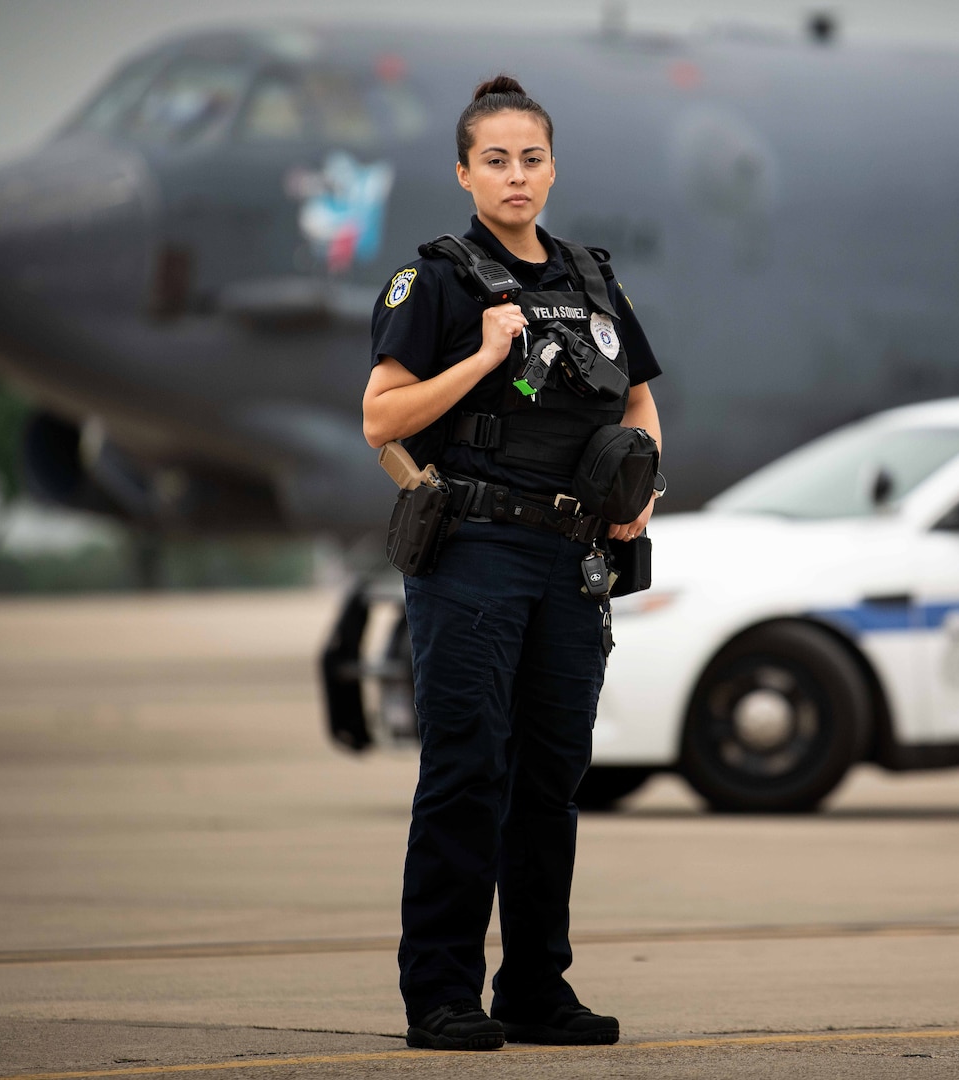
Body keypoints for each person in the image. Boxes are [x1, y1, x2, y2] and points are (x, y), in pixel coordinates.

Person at [361, 75, 662, 1051]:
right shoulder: (437, 282)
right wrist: (484, 358)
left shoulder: (591, 276)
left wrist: (640, 493)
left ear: (552, 167)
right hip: (475, 551)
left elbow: (639, 401)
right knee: (466, 769)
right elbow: (382, 418)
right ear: (464, 171)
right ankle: (440, 993)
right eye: (495, 158)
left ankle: (534, 987)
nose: (515, 174)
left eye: (530, 157)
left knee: (550, 778)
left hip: (572, 559)